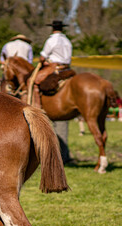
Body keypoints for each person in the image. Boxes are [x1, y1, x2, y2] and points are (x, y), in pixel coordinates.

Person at [39, 20, 73, 163]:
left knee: (34, 81)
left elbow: (42, 56)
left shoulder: (51, 40)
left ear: (52, 29)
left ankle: (36, 103)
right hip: (67, 68)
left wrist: (44, 61)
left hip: (55, 67)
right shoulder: (67, 41)